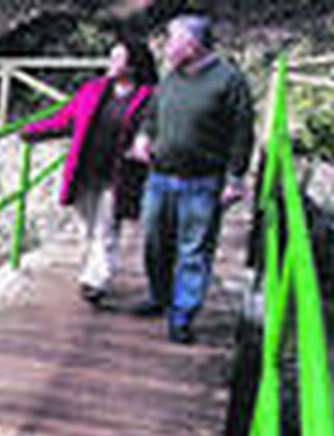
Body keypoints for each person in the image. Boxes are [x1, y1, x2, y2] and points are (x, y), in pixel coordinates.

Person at [129, 14, 254, 343]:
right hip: (159, 177)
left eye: (171, 40)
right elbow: (152, 115)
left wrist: (235, 179)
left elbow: (242, 134)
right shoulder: (172, 77)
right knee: (154, 244)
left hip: (201, 182)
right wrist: (143, 137)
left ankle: (182, 315)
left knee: (193, 251)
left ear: (192, 45)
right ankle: (159, 297)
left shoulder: (229, 80)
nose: (166, 47)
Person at [22, 36, 158, 306]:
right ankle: (93, 268)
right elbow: (66, 118)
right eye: (112, 56)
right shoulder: (93, 89)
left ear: (133, 65)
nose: (111, 62)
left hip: (119, 175)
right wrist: (32, 131)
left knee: (106, 228)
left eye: (118, 58)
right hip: (85, 170)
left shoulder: (149, 97)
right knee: (88, 227)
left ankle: (96, 280)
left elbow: (155, 130)